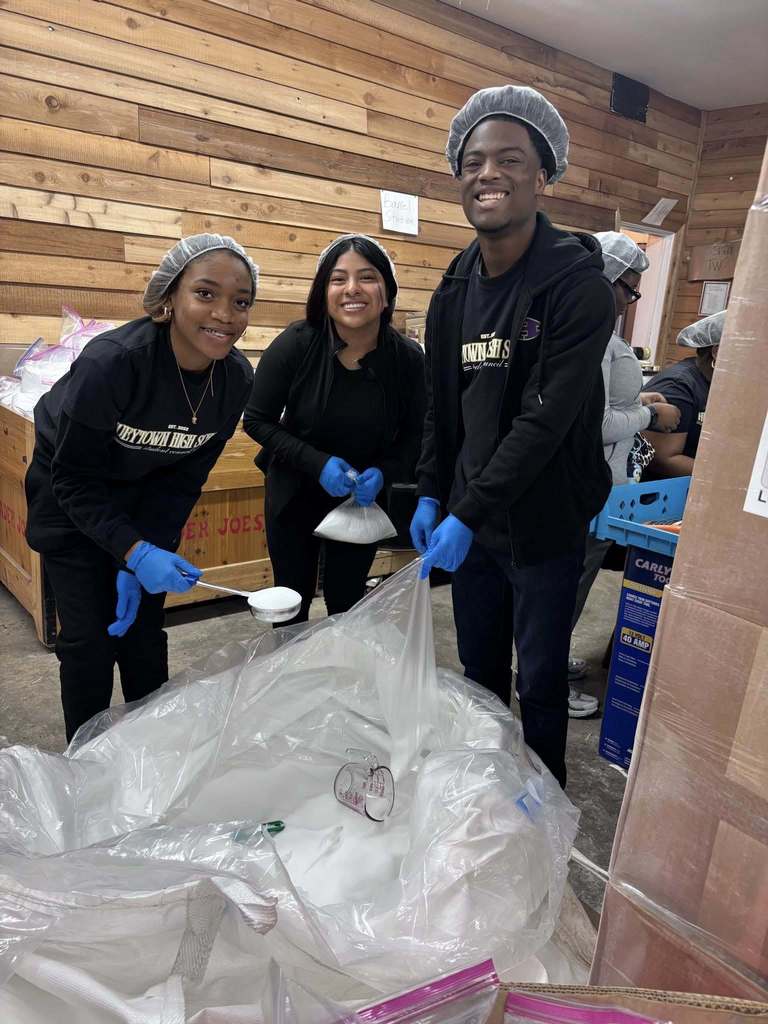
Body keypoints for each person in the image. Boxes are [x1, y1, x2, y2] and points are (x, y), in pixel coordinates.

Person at [409, 85, 615, 788]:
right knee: (478, 668)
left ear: (542, 174)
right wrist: (433, 491)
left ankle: (546, 795)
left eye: (508, 159)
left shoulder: (578, 286)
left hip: (546, 521)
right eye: (473, 161)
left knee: (542, 676)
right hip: (473, 522)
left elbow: (547, 420)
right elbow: (443, 405)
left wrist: (466, 509)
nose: (486, 173)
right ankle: (491, 788)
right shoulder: (454, 287)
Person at [24, 234, 258, 742]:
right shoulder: (113, 362)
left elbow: (183, 480)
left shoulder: (235, 380)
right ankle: (85, 765)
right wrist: (131, 548)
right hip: (69, 495)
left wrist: (145, 551)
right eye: (205, 293)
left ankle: (150, 754)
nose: (225, 314)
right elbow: (72, 477)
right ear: (169, 297)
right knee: (88, 640)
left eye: (241, 302)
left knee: (143, 636)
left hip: (142, 498)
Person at [243, 233, 425, 624]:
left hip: (359, 501)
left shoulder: (408, 360)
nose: (352, 289)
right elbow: (256, 420)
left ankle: (339, 679)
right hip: (294, 492)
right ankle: (289, 680)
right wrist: (317, 463)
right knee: (291, 603)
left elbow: (416, 435)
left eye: (367, 277)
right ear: (323, 291)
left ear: (387, 293)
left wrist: (386, 473)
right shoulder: (296, 344)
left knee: (347, 604)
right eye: (338, 279)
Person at [567, 231, 681, 717]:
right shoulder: (589, 338)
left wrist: (641, 400)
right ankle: (543, 678)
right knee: (568, 585)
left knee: (579, 580)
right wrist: (651, 418)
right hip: (585, 485)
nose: (630, 299)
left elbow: (612, 402)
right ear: (606, 279)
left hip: (601, 486)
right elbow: (592, 423)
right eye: (629, 288)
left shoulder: (602, 338)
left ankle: (546, 660)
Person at [642, 309, 724, 477]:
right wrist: (724, 477)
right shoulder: (679, 385)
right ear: (716, 352)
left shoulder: (716, 384)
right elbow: (663, 460)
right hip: (661, 495)